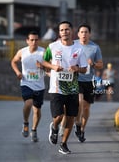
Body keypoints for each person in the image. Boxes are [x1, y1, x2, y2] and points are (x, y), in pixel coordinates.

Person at [42, 21, 87, 154]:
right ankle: (55, 127)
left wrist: (77, 68)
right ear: (59, 32)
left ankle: (64, 144)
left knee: (71, 117)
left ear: (71, 31)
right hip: (57, 87)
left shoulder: (79, 49)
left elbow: (85, 69)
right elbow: (44, 61)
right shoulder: (53, 46)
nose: (64, 32)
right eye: (62, 30)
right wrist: (53, 66)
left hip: (72, 88)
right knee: (59, 116)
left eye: (67, 30)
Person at [11, 31, 46, 142]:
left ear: (38, 40)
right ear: (27, 41)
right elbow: (13, 61)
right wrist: (17, 72)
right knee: (28, 102)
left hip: (39, 85)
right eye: (31, 40)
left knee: (37, 111)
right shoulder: (22, 52)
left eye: (36, 40)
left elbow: (50, 67)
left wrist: (42, 67)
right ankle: (26, 122)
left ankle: (34, 129)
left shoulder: (43, 52)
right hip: (26, 82)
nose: (34, 42)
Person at [74, 24, 103, 142]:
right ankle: (77, 123)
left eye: (86, 32)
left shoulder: (95, 48)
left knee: (86, 108)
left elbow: (101, 65)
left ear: (89, 34)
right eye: (81, 32)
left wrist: (93, 64)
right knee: (79, 101)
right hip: (76, 79)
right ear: (78, 34)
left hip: (88, 81)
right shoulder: (73, 44)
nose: (84, 34)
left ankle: (82, 130)